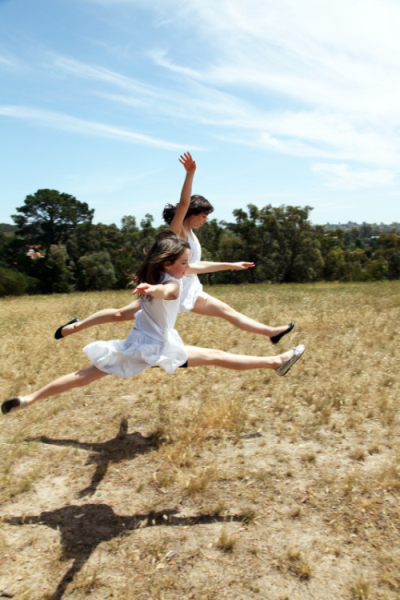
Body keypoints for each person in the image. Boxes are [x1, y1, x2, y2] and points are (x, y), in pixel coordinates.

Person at [2, 232, 305, 415]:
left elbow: (127, 308)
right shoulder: (168, 284)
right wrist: (154, 290)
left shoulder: (160, 277)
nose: (189, 268)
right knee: (216, 356)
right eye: (185, 264)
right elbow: (169, 292)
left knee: (83, 375)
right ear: (168, 264)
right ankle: (276, 360)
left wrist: (76, 327)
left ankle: (30, 398)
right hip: (157, 348)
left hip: (134, 344)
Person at [54, 153, 294, 345]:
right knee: (120, 315)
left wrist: (231, 265)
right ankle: (73, 327)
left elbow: (192, 268)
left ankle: (271, 332)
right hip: (167, 289)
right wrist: (190, 174)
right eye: (203, 215)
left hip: (188, 290)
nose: (205, 220)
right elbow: (183, 204)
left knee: (226, 311)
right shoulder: (177, 231)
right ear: (192, 214)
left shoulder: (192, 236)